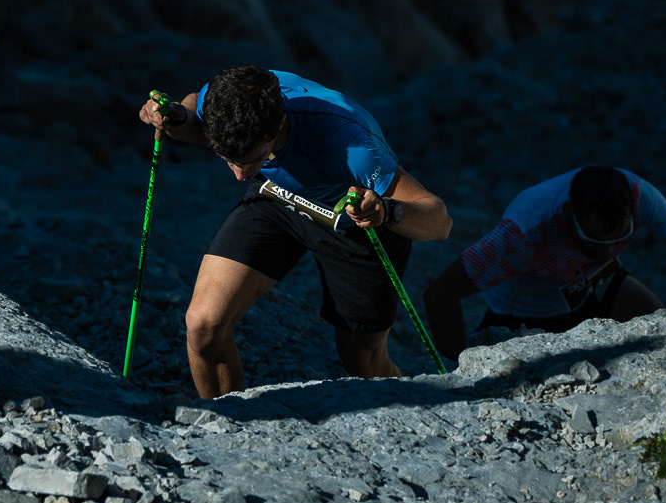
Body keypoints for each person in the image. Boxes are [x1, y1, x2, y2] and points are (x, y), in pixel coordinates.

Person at [138, 64, 452, 399]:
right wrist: (176, 118)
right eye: (228, 159)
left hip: (358, 223)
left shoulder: (351, 146)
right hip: (278, 198)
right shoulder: (226, 102)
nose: (239, 176)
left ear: (280, 124)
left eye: (252, 159)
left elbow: (440, 222)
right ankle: (223, 419)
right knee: (203, 327)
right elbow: (194, 113)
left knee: (363, 364)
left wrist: (386, 211)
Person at [423, 165, 666, 359]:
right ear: (567, 215)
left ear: (632, 212)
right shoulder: (522, 234)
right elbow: (440, 294)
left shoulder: (639, 194)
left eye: (618, 239)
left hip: (595, 282)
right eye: (593, 241)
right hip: (524, 313)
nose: (606, 252)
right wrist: (458, 364)